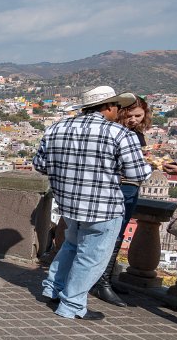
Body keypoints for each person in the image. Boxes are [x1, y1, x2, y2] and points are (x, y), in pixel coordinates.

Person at [34, 86, 151, 321]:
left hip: (68, 204)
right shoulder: (119, 134)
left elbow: (40, 164)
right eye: (117, 106)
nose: (119, 111)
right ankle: (72, 305)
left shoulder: (57, 128)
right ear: (107, 106)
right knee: (92, 256)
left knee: (70, 246)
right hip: (103, 206)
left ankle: (53, 288)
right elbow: (138, 173)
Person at [90, 95, 153, 307]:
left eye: (138, 116)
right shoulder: (117, 133)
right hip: (119, 187)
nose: (133, 119)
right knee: (111, 233)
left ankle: (105, 278)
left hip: (131, 188)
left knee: (118, 233)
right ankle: (102, 281)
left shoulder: (136, 134)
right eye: (130, 115)